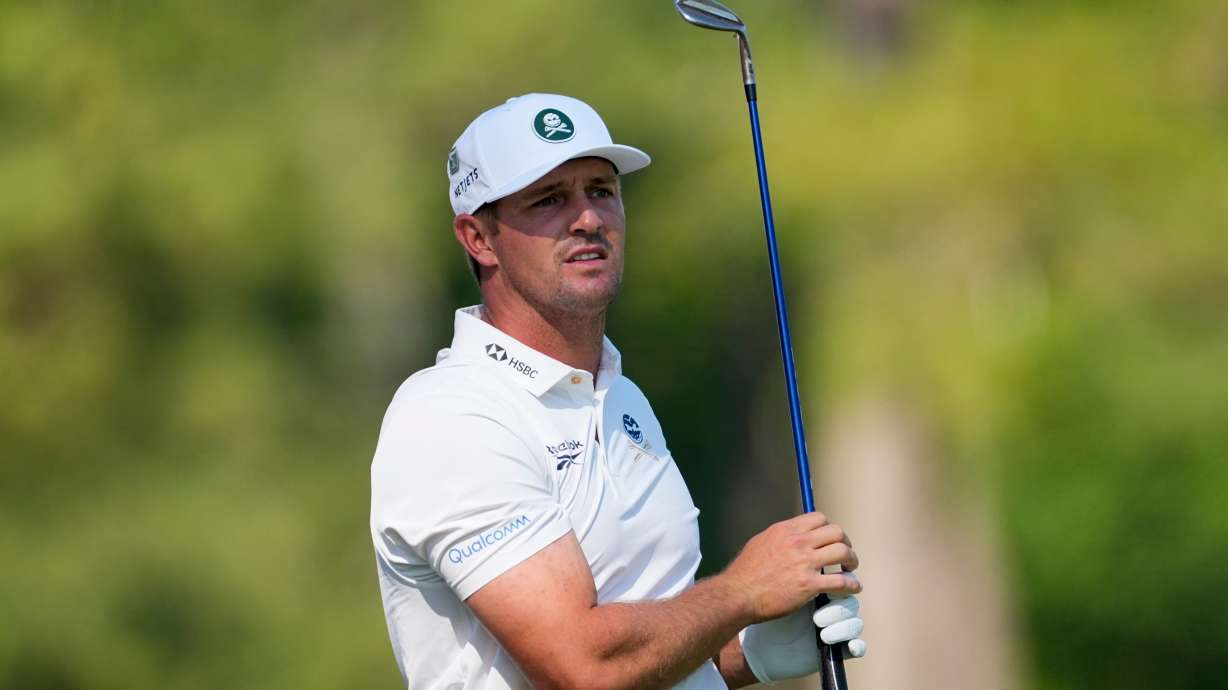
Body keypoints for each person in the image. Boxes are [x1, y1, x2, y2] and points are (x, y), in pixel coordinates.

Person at [370, 93, 866, 690]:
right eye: (549, 199)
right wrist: (742, 592)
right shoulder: (452, 417)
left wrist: (745, 654)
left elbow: (652, 647)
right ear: (478, 238)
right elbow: (583, 668)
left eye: (601, 191)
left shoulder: (620, 396)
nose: (588, 219)